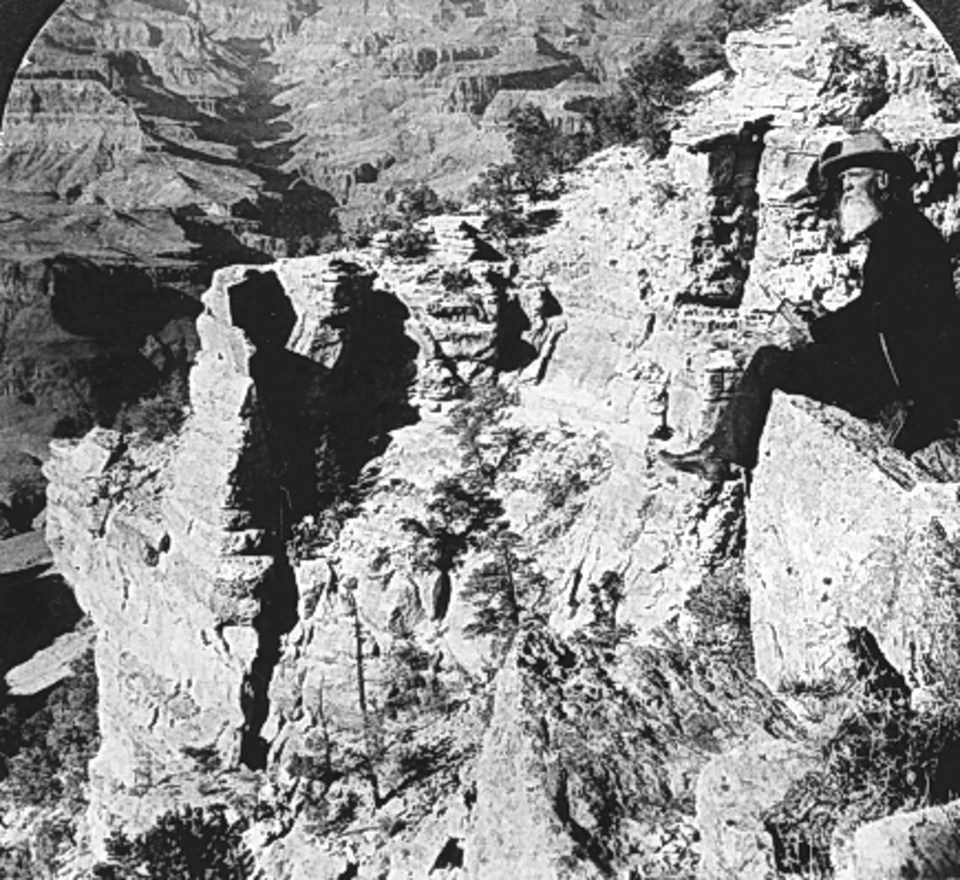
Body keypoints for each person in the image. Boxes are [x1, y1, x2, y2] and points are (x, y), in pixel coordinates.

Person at [660, 130, 960, 483]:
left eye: (854, 175)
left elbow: (881, 312)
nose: (845, 186)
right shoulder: (902, 231)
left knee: (769, 362)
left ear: (882, 179)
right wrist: (825, 329)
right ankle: (719, 451)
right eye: (843, 178)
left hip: (901, 384)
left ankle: (722, 456)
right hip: (903, 372)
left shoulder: (902, 235)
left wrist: (818, 330)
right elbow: (884, 311)